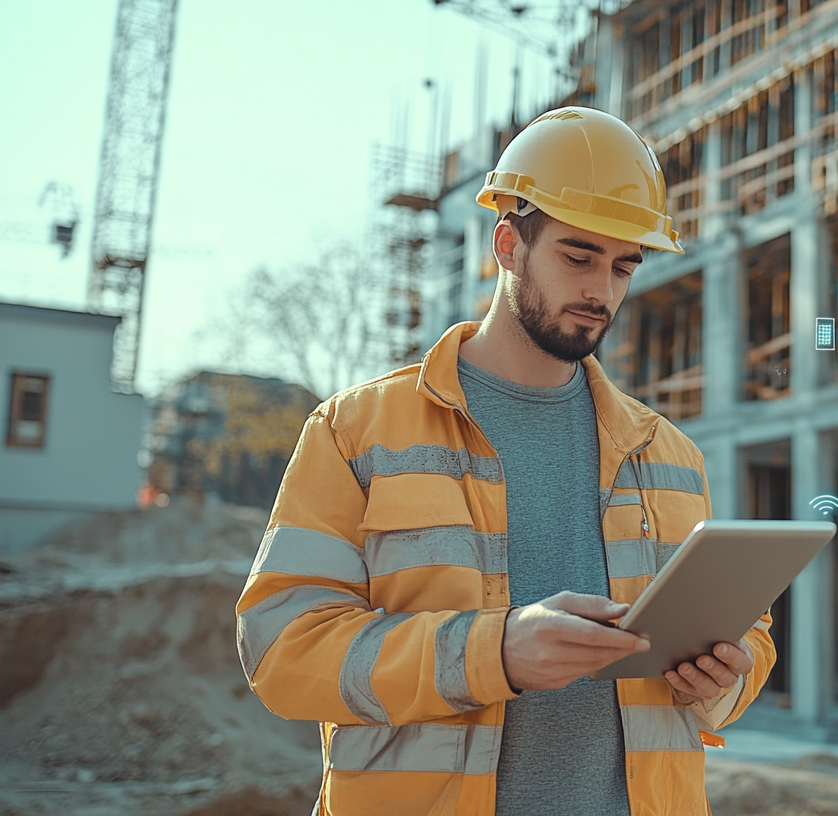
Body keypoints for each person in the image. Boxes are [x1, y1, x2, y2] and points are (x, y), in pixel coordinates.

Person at [235, 106, 775, 816]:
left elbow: (748, 638)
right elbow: (283, 651)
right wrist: (494, 654)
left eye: (622, 267)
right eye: (578, 257)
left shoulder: (666, 454)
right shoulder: (357, 431)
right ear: (507, 244)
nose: (601, 292)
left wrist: (723, 680)